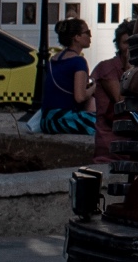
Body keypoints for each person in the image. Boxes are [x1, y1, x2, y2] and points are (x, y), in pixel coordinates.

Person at [31, 18, 96, 135]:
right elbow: (80, 97)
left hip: (46, 120)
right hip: (62, 120)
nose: (90, 37)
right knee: (107, 124)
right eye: (88, 33)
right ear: (77, 37)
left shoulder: (54, 59)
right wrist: (95, 87)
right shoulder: (78, 62)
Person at [88, 19, 131, 162]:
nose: (129, 48)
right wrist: (130, 68)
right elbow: (120, 99)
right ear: (118, 44)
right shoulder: (107, 68)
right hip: (110, 147)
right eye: (126, 43)